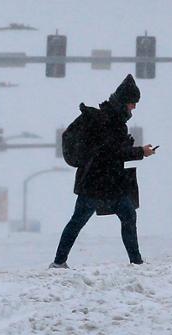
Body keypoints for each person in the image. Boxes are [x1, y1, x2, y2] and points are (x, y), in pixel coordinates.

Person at [49, 74, 156, 269]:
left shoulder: (106, 118)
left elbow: (107, 150)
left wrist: (130, 145)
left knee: (82, 220)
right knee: (126, 216)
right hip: (103, 182)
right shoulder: (110, 122)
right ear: (124, 102)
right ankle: (136, 262)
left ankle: (59, 261)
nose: (134, 107)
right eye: (132, 103)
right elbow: (113, 152)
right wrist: (141, 151)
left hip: (94, 181)